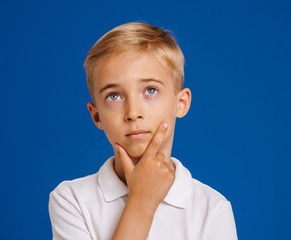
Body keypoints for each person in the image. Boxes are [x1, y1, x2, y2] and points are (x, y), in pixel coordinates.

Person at [48, 22, 238, 240]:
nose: (133, 112)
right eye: (114, 96)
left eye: (150, 90)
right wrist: (141, 203)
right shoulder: (72, 200)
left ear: (181, 103)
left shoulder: (212, 209)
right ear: (97, 115)